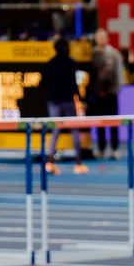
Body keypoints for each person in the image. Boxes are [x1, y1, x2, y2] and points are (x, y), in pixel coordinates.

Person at [41, 35, 89, 173]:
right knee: (74, 131)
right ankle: (78, 162)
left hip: (55, 101)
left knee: (55, 131)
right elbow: (74, 84)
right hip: (67, 101)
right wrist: (79, 98)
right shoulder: (71, 63)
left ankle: (50, 161)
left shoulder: (50, 64)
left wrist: (51, 91)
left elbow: (43, 83)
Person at [87, 29, 125, 158]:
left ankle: (115, 149)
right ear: (96, 39)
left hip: (111, 94)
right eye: (99, 37)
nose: (101, 39)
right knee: (99, 122)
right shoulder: (92, 54)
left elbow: (119, 73)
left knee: (113, 122)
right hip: (97, 94)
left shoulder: (114, 54)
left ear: (108, 38)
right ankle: (101, 148)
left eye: (104, 37)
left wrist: (117, 89)